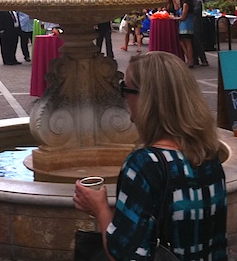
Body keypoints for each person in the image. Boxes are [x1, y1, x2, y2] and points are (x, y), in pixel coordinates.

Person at [73, 52, 227, 260]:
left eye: (124, 89)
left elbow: (124, 255)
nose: (124, 97)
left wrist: (100, 209)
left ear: (146, 99)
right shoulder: (208, 153)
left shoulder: (144, 165)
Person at [177, 0, 195, 68]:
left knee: (187, 43)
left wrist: (174, 18)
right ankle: (189, 59)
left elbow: (183, 17)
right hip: (187, 24)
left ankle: (190, 60)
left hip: (185, 25)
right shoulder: (188, 4)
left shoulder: (185, 5)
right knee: (184, 42)